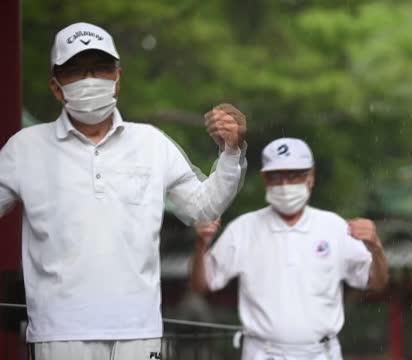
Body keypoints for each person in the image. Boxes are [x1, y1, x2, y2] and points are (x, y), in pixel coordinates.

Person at [0, 22, 248, 359]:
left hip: (138, 331)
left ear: (118, 77)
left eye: (100, 68)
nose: (90, 79)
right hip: (58, 332)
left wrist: (231, 153)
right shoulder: (24, 148)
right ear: (56, 87)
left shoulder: (151, 143)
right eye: (76, 70)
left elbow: (203, 208)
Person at [190, 137, 389, 360]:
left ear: (311, 177)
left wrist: (376, 248)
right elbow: (201, 285)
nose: (285, 185)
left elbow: (376, 282)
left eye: (294, 175)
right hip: (263, 353)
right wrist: (201, 244)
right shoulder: (243, 229)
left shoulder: (335, 227)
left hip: (321, 353)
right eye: (277, 176)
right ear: (266, 180)